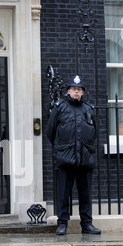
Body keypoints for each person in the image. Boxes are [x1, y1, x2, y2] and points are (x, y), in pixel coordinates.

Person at [46, 74, 101, 235]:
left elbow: (94, 132)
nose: (76, 92)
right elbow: (50, 132)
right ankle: (62, 224)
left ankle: (87, 224)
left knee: (85, 194)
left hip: (85, 158)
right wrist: (62, 148)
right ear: (68, 91)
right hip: (65, 158)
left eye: (79, 90)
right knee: (63, 194)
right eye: (73, 89)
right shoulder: (60, 107)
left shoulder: (89, 109)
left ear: (83, 92)